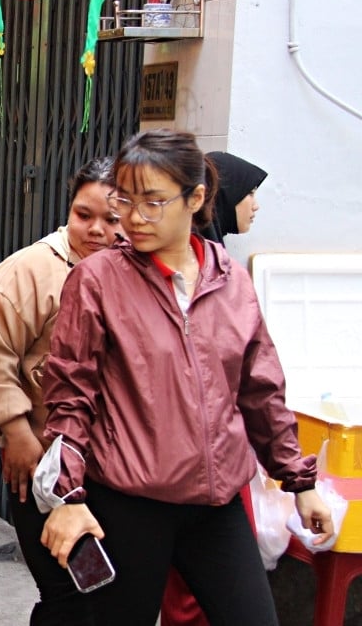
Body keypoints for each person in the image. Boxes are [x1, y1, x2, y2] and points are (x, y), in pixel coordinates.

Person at [37, 129, 332, 625]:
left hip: (215, 507)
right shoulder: (98, 281)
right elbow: (70, 395)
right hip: (129, 504)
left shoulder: (231, 282)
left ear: (195, 199)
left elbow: (261, 391)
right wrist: (66, 496)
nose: (133, 217)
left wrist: (299, 481)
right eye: (125, 200)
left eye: (152, 202)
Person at [0, 157, 122, 623]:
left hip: (114, 469)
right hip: (41, 463)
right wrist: (16, 433)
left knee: (105, 593)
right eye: (83, 214)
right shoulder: (31, 269)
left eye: (111, 219)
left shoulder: (135, 272)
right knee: (66, 592)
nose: (95, 230)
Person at [161, 150, 267, 626]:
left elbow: (259, 381)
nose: (257, 206)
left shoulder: (225, 273)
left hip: (219, 461)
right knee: (189, 600)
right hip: (177, 469)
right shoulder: (161, 279)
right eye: (251, 194)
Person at [200, 151, 264, 245]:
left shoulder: (208, 252)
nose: (256, 206)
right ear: (226, 195)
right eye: (250, 193)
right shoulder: (201, 255)